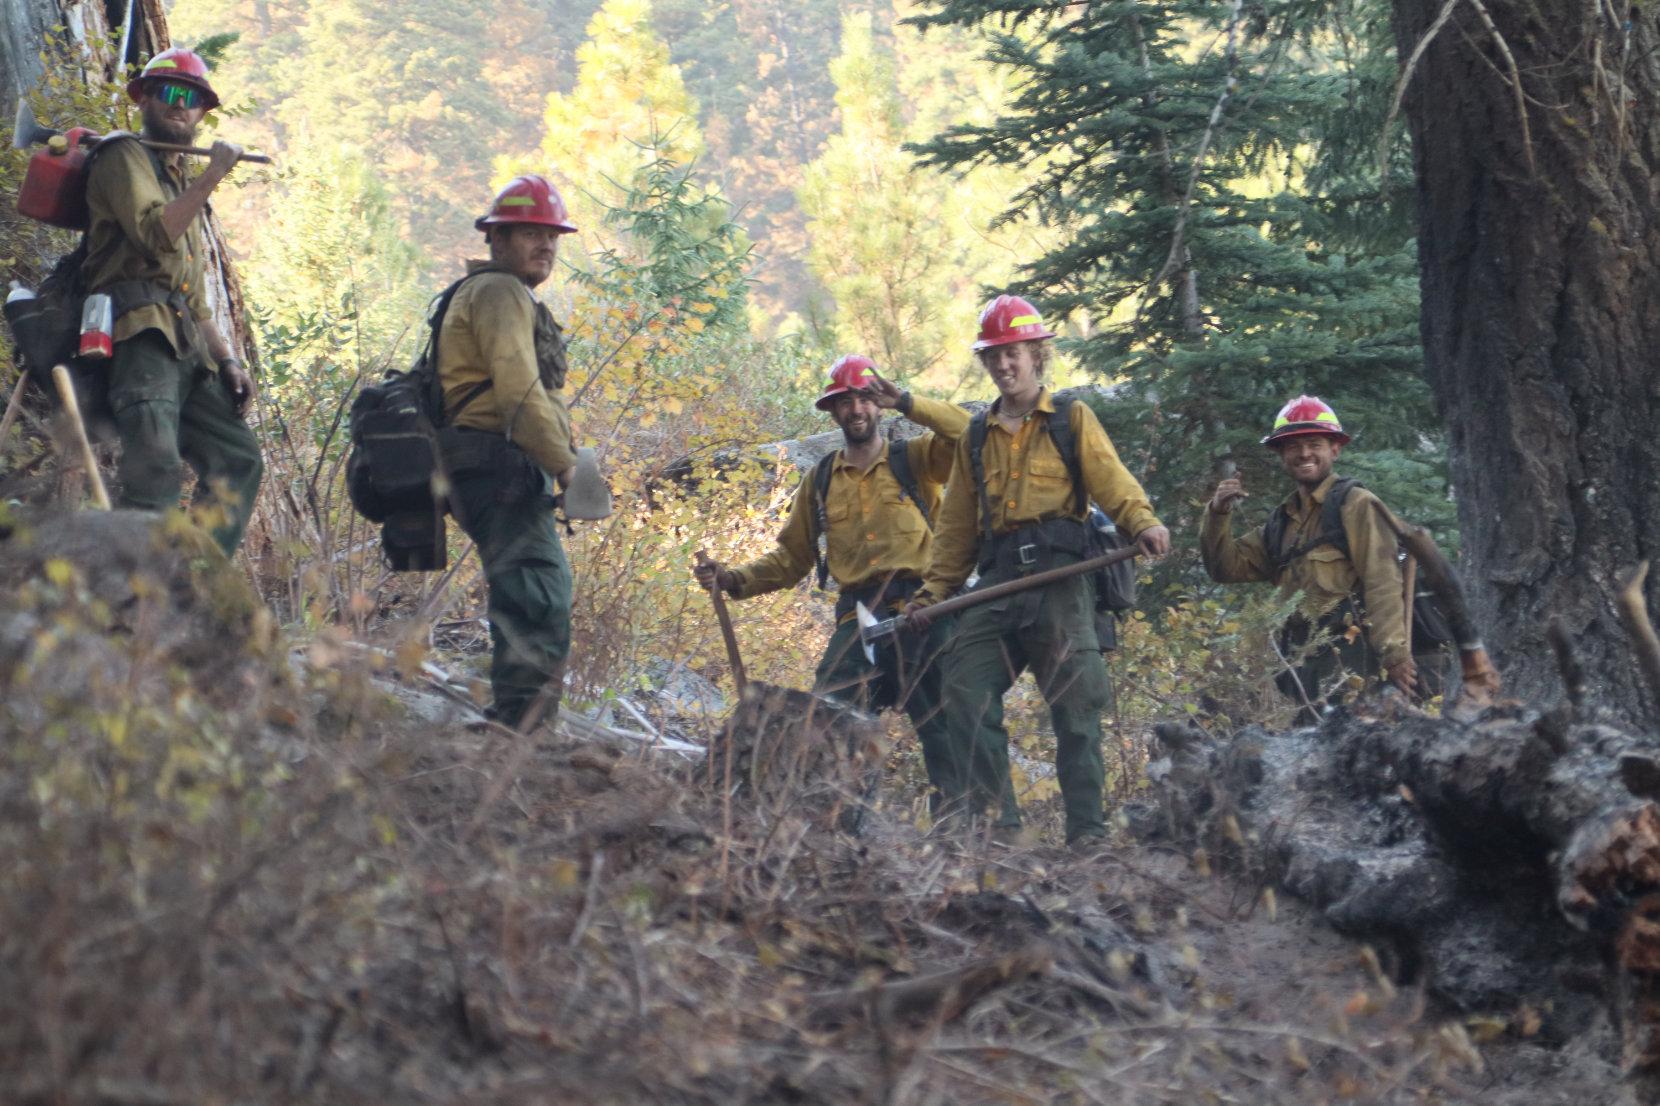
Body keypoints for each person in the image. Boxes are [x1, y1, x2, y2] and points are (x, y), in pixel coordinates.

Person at [906, 295, 1170, 847]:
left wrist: (1142, 522)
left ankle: (1087, 836)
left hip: (1062, 579)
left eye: (1016, 353)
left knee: (1078, 705)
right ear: (987, 363)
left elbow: (1111, 479)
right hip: (1000, 581)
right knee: (963, 686)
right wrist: (934, 592)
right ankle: (999, 833)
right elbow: (955, 527)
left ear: (1037, 356)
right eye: (996, 355)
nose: (1006, 365)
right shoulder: (976, 436)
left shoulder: (1071, 419)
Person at [695, 355, 968, 814]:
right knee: (829, 720)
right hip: (856, 621)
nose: (856, 409)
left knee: (944, 726)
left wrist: (906, 401)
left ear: (877, 407)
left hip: (923, 610)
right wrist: (734, 579)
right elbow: (791, 558)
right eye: (845, 402)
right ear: (833, 411)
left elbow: (966, 435)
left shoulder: (917, 458)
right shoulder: (820, 479)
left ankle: (958, 832)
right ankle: (839, 826)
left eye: (865, 399)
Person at [86, 47, 262, 556]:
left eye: (191, 97)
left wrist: (227, 359)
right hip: (141, 337)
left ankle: (193, 584)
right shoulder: (123, 156)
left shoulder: (176, 179)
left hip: (188, 347)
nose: (179, 103)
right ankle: (137, 600)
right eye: (168, 92)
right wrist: (212, 177)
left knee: (239, 459)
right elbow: (155, 235)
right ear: (145, 98)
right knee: (155, 467)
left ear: (202, 111)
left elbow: (195, 297)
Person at [435, 175, 579, 729]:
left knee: (529, 586)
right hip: (497, 466)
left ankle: (518, 720)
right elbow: (518, 392)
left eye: (553, 236)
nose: (546, 245)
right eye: (530, 233)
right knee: (538, 591)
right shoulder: (499, 292)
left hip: (489, 465)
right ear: (497, 239)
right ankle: (521, 730)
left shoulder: (497, 293)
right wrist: (565, 467)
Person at [1199, 395, 1414, 721]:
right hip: (1299, 657)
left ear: (1335, 450)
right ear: (1281, 455)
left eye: (1315, 444)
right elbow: (1225, 567)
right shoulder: (1282, 522)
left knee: (1349, 747)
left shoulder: (1357, 504)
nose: (1304, 454)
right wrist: (1217, 513)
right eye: (1292, 447)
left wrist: (1394, 654)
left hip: (1348, 657)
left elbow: (1382, 580)